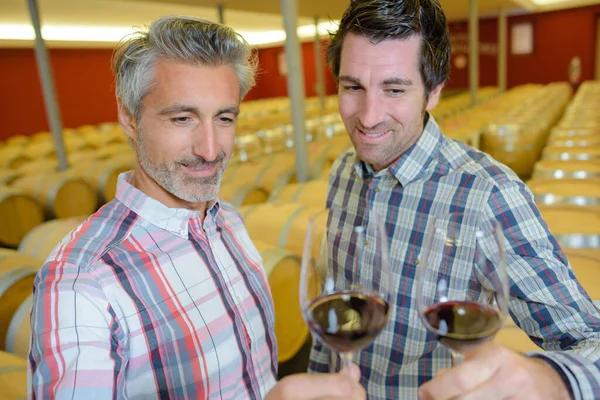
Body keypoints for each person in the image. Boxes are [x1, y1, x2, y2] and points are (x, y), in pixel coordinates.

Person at [27, 16, 365, 400]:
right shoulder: (81, 283)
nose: (209, 149)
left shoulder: (230, 222)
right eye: (182, 118)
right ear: (129, 117)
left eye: (224, 118)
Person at [308, 0, 600, 399]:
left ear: (434, 92)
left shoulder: (488, 195)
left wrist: (551, 381)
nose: (368, 116)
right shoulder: (344, 171)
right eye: (352, 87)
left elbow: (589, 340)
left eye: (394, 89)